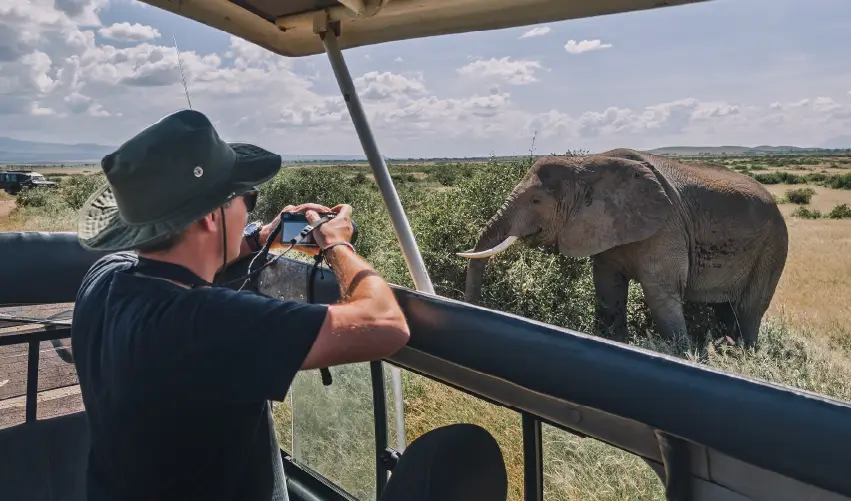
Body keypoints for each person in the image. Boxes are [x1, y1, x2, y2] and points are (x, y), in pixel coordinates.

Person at [71, 109, 507, 501]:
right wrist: (337, 245)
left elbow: (186, 268)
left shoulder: (105, 280)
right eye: (248, 198)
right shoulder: (204, 324)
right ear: (210, 217)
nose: (250, 211)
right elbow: (384, 323)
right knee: (459, 454)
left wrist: (261, 238)